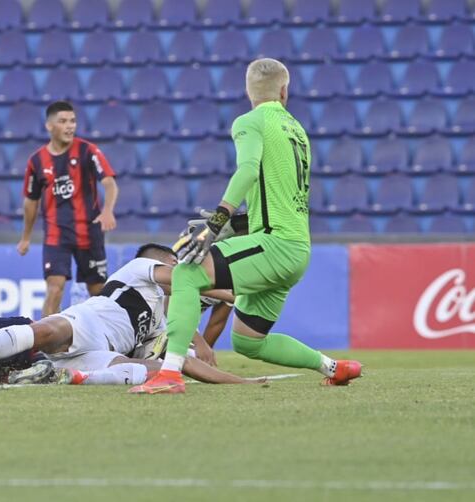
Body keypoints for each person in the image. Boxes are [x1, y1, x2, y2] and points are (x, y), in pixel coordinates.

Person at [131, 58, 362, 394]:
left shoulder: (249, 121)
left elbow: (248, 170)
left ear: (247, 90)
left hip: (274, 244)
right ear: (284, 90)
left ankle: (169, 374)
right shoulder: (297, 130)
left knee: (185, 273)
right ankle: (334, 367)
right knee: (248, 341)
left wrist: (217, 221)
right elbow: (276, 189)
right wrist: (244, 221)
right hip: (297, 249)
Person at [0, 244, 264, 386]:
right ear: (160, 261)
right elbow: (188, 282)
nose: (177, 270)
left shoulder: (163, 322)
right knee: (47, 330)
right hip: (87, 323)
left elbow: (186, 360)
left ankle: (68, 377)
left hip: (100, 355)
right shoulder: (139, 269)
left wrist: (243, 382)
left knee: (168, 369)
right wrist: (235, 291)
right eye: (173, 263)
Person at [17, 100, 119, 317]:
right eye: (63, 121)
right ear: (49, 126)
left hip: (89, 231)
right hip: (56, 234)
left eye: (72, 121)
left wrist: (108, 210)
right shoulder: (37, 161)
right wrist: (26, 237)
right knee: (54, 289)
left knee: (98, 291)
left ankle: (110, 339)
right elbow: (31, 201)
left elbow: (109, 183)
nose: (70, 126)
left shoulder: (88, 151)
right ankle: (43, 346)